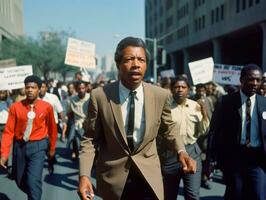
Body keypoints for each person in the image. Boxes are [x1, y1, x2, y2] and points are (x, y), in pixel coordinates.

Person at [78, 37, 196, 200]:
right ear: (118, 64)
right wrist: (84, 175)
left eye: (141, 59)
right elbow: (90, 139)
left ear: (146, 64)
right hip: (113, 180)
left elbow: (169, 128)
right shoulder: (100, 96)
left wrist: (181, 151)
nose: (136, 64)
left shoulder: (160, 95)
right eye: (129, 59)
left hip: (148, 178)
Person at [208, 64, 266, 200]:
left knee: (259, 194)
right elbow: (214, 131)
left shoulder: (264, 103)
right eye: (251, 79)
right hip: (234, 157)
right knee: (235, 193)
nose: (255, 83)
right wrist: (211, 160)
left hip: (258, 158)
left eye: (258, 80)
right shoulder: (226, 101)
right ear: (241, 80)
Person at [0, 75, 58, 200]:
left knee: (33, 180)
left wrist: (52, 148)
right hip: (19, 147)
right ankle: (33, 194)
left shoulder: (46, 107)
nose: (30, 90)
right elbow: (8, 132)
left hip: (38, 147)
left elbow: (53, 129)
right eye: (27, 87)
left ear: (39, 90)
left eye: (33, 87)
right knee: (19, 179)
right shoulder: (16, 107)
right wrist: (4, 154)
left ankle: (34, 196)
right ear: (24, 89)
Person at [159, 76, 209, 200]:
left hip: (192, 153)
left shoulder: (196, 106)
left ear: (188, 90)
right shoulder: (164, 107)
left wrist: (204, 114)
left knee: (192, 195)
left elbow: (203, 131)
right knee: (168, 195)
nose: (180, 90)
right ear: (171, 89)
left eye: (183, 87)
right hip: (170, 155)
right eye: (176, 87)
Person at [67, 80, 90, 159]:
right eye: (79, 88)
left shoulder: (90, 98)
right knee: (79, 145)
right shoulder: (72, 99)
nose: (81, 90)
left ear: (86, 88)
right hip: (78, 125)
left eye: (83, 88)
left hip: (88, 125)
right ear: (76, 89)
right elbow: (69, 113)